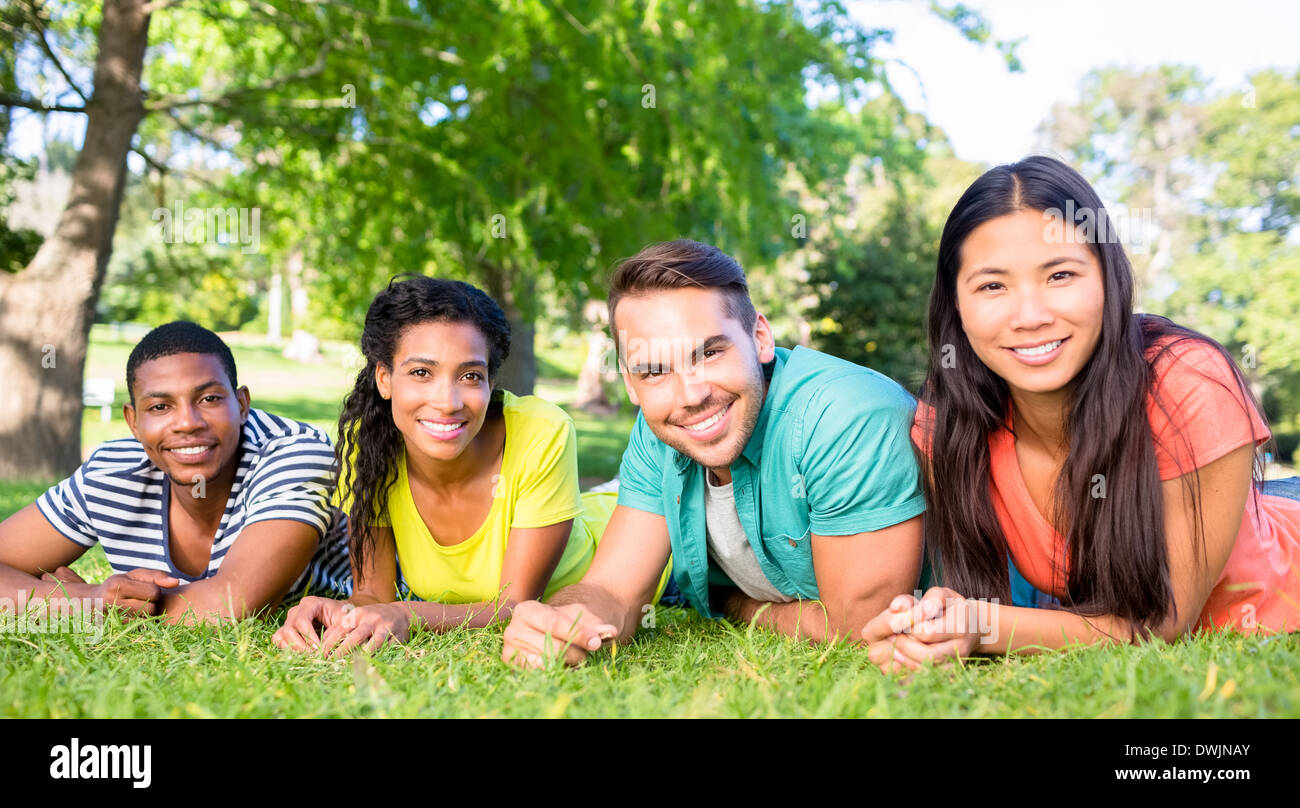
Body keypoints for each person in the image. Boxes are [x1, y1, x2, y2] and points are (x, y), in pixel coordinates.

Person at [863, 155, 1300, 673]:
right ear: (955, 305)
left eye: (1060, 274)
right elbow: (994, 599)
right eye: (992, 286)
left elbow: (1165, 623)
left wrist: (980, 626)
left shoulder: (1187, 382)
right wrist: (933, 622)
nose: (1031, 316)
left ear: (1108, 279)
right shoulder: (949, 425)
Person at [502, 239, 926, 668]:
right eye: (654, 371)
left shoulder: (843, 415)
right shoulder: (661, 430)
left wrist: (735, 605)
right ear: (630, 383)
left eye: (709, 353)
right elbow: (612, 590)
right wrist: (564, 621)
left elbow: (859, 628)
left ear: (759, 338)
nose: (690, 396)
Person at [272, 276, 662, 656]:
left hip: (643, 547)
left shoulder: (539, 431)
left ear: (491, 383)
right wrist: (340, 612)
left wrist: (407, 614)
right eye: (421, 373)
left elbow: (515, 606)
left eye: (470, 375)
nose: (447, 401)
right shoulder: (369, 444)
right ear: (385, 378)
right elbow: (373, 595)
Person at [0, 321, 350, 624]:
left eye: (209, 399)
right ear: (133, 421)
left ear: (241, 405)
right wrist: (85, 601)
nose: (187, 423)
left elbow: (236, 604)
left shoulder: (292, 451)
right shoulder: (111, 473)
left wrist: (113, 609)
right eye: (160, 406)